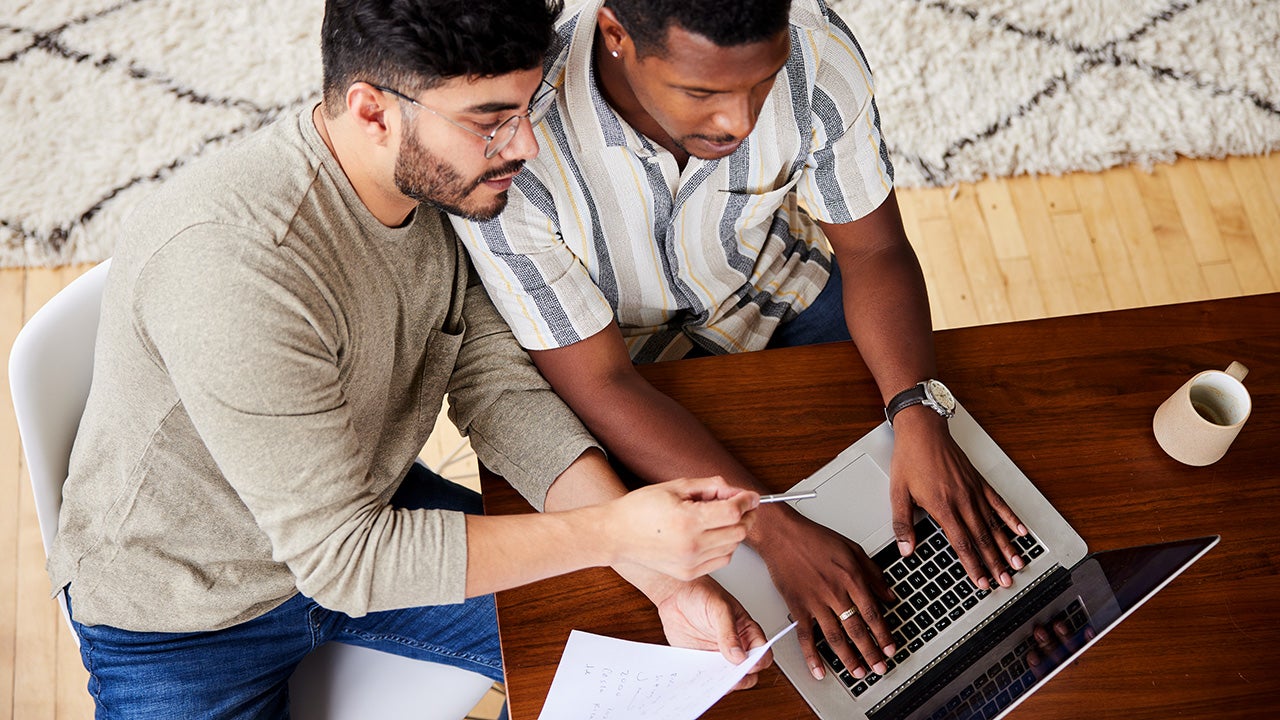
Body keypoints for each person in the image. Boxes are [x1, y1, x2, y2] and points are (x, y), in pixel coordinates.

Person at [45, 1, 769, 716]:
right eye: (490, 122)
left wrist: (665, 581)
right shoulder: (237, 267)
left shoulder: (448, 182)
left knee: (664, 657)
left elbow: (498, 389)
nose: (526, 148)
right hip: (185, 616)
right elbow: (347, 562)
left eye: (524, 111)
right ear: (372, 113)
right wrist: (616, 533)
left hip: (368, 510)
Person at [450, 0, 1031, 683]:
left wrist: (915, 406)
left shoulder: (814, 53)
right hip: (622, 359)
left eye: (761, 82)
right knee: (693, 603)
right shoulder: (511, 149)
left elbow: (875, 250)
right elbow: (601, 382)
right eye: (702, 92)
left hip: (782, 286)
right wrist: (772, 527)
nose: (741, 121)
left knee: (961, 491)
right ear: (616, 35)